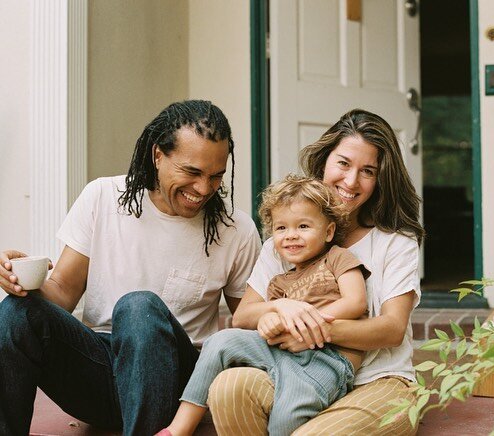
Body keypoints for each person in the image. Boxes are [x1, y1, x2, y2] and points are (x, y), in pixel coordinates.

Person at [0, 100, 261, 436]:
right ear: (157, 156)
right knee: (17, 311)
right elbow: (62, 291)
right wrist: (18, 280)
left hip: (179, 386)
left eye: (216, 176)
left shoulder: (235, 229)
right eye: (192, 172)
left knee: (138, 307)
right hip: (99, 373)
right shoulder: (102, 197)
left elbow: (247, 324)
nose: (204, 188)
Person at [207, 109, 425, 435]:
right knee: (229, 387)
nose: (351, 181)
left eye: (368, 171)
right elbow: (244, 316)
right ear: (324, 161)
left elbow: (392, 329)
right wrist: (282, 307)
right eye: (343, 164)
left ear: (381, 179)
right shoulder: (288, 237)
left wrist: (307, 331)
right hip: (296, 370)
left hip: (381, 379)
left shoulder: (395, 242)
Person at [158, 174, 370, 436]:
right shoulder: (279, 282)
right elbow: (263, 319)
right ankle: (179, 429)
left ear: (328, 231)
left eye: (303, 226)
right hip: (282, 353)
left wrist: (306, 320)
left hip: (328, 360)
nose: (291, 236)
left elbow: (356, 302)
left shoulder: (338, 258)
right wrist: (269, 322)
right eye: (282, 228)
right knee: (220, 342)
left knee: (286, 417)